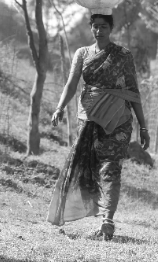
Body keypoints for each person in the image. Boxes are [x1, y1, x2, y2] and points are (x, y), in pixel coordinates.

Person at [47, 13, 150, 241]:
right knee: (91, 166)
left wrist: (143, 126)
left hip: (118, 119)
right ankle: (100, 213)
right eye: (95, 26)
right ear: (91, 28)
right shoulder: (82, 53)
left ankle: (107, 220)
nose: (99, 31)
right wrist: (60, 107)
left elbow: (133, 91)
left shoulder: (123, 55)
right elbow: (72, 83)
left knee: (111, 168)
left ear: (111, 28)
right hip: (89, 118)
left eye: (103, 26)